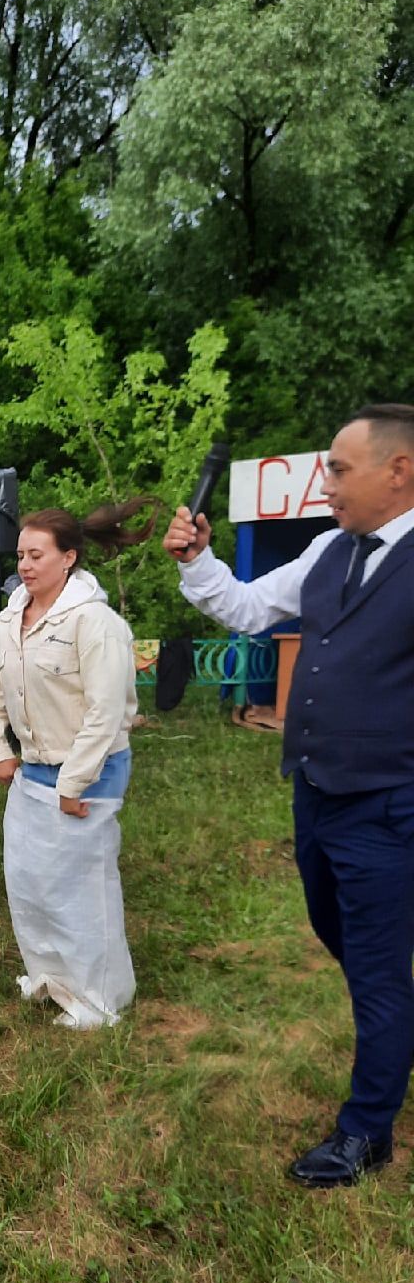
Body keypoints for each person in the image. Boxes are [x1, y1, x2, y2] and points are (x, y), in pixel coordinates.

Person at [164, 402, 414, 1187]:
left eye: (339, 469)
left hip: (388, 802)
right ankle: (397, 1028)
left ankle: (366, 1132)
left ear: (398, 470)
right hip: (315, 790)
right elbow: (243, 608)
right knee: (335, 930)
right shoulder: (328, 550)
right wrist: (198, 560)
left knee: (374, 971)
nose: (326, 482)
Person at [0, 502, 153, 1032]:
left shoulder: (96, 622)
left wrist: (73, 783)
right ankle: (50, 978)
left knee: (79, 890)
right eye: (20, 555)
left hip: (89, 775)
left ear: (69, 558)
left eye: (37, 555)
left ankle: (99, 1000)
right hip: (31, 771)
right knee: (30, 883)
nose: (25, 565)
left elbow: (106, 713)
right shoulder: (7, 622)